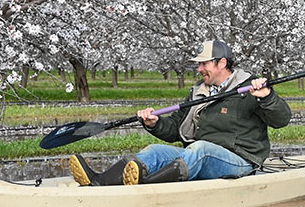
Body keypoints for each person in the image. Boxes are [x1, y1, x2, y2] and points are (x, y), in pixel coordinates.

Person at [69, 40, 291, 186]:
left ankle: (144, 186)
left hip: (240, 160)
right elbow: (176, 128)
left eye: (204, 64)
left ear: (222, 63)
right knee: (155, 151)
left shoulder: (252, 87)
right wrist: (154, 123)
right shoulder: (198, 92)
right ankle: (99, 182)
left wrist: (267, 96)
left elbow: (282, 119)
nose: (199, 69)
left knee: (200, 149)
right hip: (197, 155)